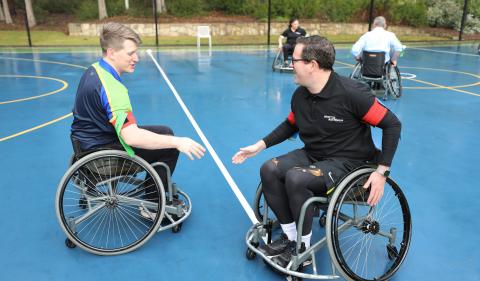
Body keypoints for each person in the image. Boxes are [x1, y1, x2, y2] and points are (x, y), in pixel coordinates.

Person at [232, 36, 401, 268]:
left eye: (295, 60)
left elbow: (392, 124)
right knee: (269, 169)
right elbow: (291, 125)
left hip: (350, 163)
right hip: (315, 154)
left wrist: (381, 172)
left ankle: (301, 248)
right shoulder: (301, 96)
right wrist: (259, 145)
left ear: (312, 65)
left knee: (296, 177)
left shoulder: (352, 94)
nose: (291, 64)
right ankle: (292, 238)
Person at [71, 22, 205, 213]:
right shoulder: (113, 89)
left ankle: (152, 190)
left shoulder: (93, 70)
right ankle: (152, 204)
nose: (137, 58)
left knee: (163, 132)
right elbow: (131, 137)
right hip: (102, 157)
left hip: (85, 145)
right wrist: (178, 142)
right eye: (130, 53)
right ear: (111, 52)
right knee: (169, 145)